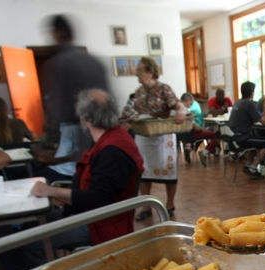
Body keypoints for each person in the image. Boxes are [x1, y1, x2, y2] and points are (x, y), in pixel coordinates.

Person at [30, 89, 143, 252]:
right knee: (34, 224)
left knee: (33, 241)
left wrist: (51, 191)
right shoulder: (107, 138)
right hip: (91, 214)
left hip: (102, 224)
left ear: (85, 116)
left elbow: (98, 198)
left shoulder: (112, 150)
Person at [38, 14, 107, 184]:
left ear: (58, 33)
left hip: (79, 139)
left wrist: (54, 149)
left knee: (42, 178)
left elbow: (63, 108)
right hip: (98, 138)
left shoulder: (60, 62)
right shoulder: (94, 60)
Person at [120, 56, 186, 219]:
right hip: (144, 135)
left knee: (168, 173)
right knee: (144, 171)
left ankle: (170, 204)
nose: (136, 74)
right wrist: (129, 122)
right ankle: (146, 206)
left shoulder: (164, 89)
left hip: (163, 136)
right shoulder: (138, 92)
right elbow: (128, 111)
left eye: (139, 70)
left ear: (150, 72)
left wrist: (181, 110)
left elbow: (177, 104)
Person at [228, 81, 265, 179]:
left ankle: (248, 164)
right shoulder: (249, 104)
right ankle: (253, 167)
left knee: (256, 139)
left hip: (233, 138)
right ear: (252, 93)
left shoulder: (237, 102)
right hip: (241, 138)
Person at [179, 92, 217, 166]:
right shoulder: (185, 110)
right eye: (190, 104)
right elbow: (196, 127)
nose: (190, 106)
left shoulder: (176, 109)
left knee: (202, 135)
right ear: (187, 100)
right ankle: (204, 153)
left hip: (181, 136)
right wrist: (203, 129)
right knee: (213, 134)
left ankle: (190, 149)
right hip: (190, 134)